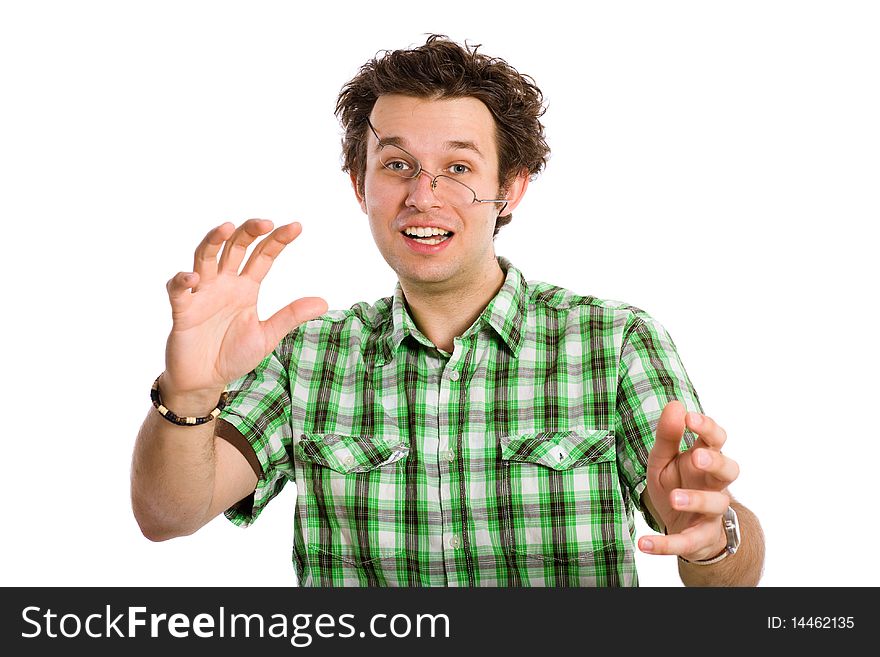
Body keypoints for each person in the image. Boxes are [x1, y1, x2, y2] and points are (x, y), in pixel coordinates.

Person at [131, 34, 765, 587]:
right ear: (361, 185)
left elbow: (728, 577)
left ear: (508, 188)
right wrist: (189, 394)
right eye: (398, 164)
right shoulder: (306, 354)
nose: (423, 196)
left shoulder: (615, 340)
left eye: (458, 166)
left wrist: (712, 537)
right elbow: (167, 515)